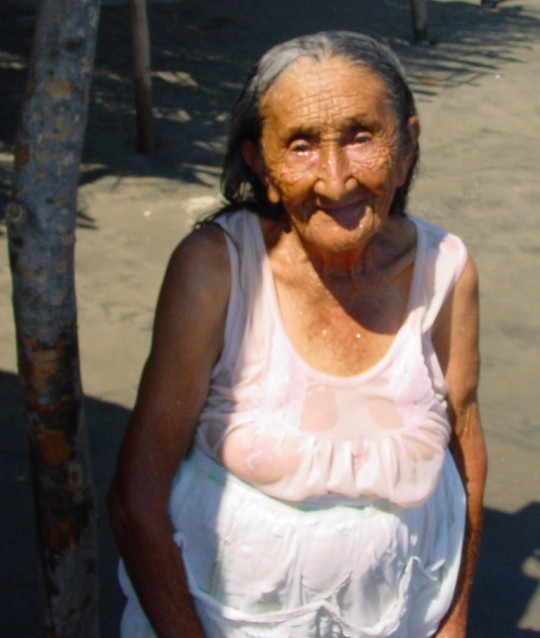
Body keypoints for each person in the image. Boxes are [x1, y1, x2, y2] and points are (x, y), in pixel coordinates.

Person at [108, 31, 487, 638]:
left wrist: (456, 616)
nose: (336, 182)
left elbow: (464, 436)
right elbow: (136, 498)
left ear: (408, 144)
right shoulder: (217, 272)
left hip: (406, 615)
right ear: (262, 165)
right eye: (302, 146)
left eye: (362, 136)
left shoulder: (446, 269)